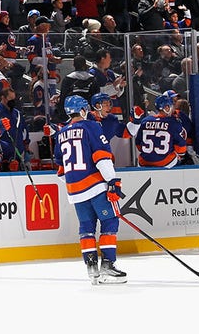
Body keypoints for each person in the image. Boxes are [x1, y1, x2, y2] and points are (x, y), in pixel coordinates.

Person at [54, 95, 126, 285]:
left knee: (86, 228)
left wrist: (75, 184)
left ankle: (92, 268)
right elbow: (102, 157)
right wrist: (112, 181)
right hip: (95, 186)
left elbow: (61, 170)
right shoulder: (91, 126)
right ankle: (108, 266)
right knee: (110, 221)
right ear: (83, 110)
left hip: (74, 190)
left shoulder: (60, 134)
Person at [127, 91, 187, 168]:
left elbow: (138, 144)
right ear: (166, 108)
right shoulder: (173, 123)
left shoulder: (145, 121)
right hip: (165, 163)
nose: (174, 108)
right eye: (172, 106)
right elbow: (181, 149)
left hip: (143, 162)